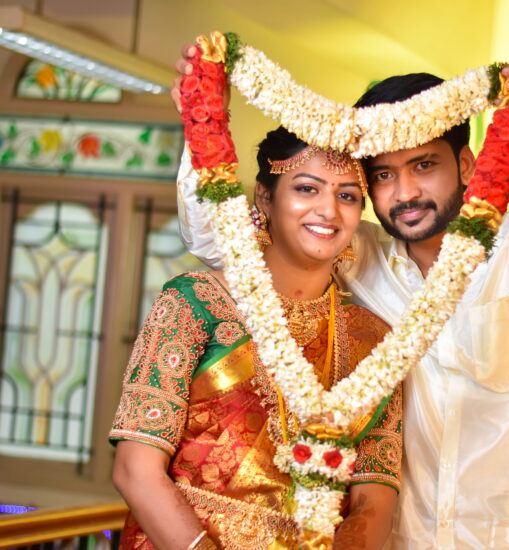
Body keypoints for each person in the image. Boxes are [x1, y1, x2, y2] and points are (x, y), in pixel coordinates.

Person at [176, 57, 509, 548]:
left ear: (465, 164)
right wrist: (203, 117)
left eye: (423, 165)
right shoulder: (355, 254)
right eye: (383, 174)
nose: (405, 193)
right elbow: (216, 242)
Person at [109, 127, 402, 550]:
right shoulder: (196, 303)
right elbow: (135, 471)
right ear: (265, 197)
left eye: (347, 195)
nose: (329, 210)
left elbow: (374, 497)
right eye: (307, 188)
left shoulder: (374, 341)